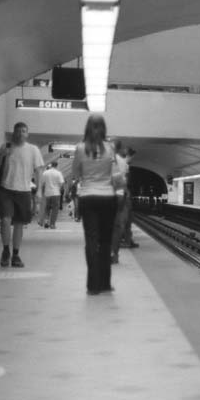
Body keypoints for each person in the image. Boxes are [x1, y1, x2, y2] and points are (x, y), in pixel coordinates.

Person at [72, 114, 119, 295]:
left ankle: (93, 286)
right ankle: (105, 283)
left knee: (91, 241)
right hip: (107, 197)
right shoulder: (110, 148)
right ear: (104, 128)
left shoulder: (80, 148)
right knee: (105, 242)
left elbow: (76, 173)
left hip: (88, 197)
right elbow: (115, 175)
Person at [0, 122, 44, 267]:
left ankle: (15, 254)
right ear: (14, 133)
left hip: (24, 191)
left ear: (27, 134)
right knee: (5, 220)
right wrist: (0, 156)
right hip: (6, 189)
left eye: (24, 131)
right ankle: (5, 251)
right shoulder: (6, 147)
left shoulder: (33, 150)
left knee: (19, 224)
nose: (21, 133)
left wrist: (39, 190)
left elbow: (39, 171)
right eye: (18, 131)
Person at [110, 140, 129, 264]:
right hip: (118, 196)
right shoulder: (123, 162)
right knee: (116, 227)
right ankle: (114, 253)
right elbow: (124, 180)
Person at [41, 161, 65, 229]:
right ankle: (52, 224)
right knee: (55, 209)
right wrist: (60, 189)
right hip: (56, 193)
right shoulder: (58, 173)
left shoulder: (45, 173)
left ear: (51, 165)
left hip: (47, 193)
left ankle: (46, 222)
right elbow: (61, 183)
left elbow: (42, 183)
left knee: (47, 208)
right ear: (57, 166)